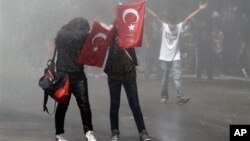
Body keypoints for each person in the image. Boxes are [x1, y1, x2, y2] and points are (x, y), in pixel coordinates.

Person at [147, 3, 207, 104]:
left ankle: (180, 97)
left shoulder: (179, 27)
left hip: (175, 56)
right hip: (164, 56)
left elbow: (188, 18)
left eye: (173, 23)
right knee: (164, 79)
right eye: (170, 22)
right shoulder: (164, 26)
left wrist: (199, 10)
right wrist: (146, 8)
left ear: (175, 22)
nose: (171, 25)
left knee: (177, 78)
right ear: (168, 21)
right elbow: (155, 16)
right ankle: (164, 97)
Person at [104, 24, 151, 141]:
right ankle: (115, 131)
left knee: (135, 104)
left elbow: (138, 28)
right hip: (114, 74)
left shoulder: (130, 34)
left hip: (129, 73)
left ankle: (142, 131)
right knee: (115, 104)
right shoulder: (110, 35)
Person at [54, 17, 97, 141]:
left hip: (76, 74)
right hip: (65, 76)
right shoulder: (64, 34)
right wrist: (89, 33)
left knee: (82, 105)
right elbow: (77, 36)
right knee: (65, 105)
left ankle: (88, 131)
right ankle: (60, 133)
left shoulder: (65, 34)